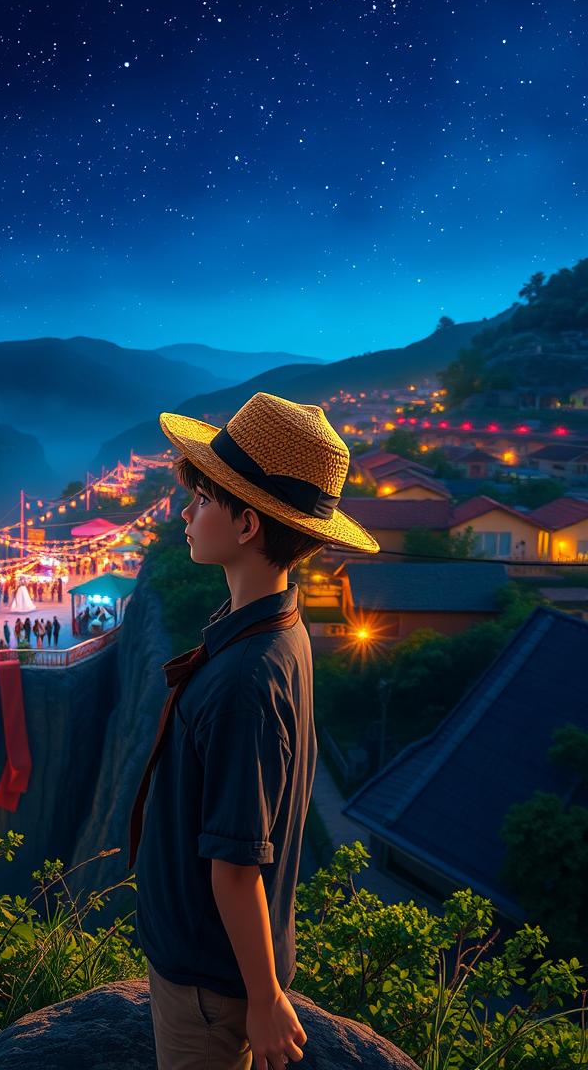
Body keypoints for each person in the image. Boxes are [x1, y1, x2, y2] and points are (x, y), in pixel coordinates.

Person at [130, 393, 379, 1070]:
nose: (186, 512)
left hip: (210, 988)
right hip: (214, 973)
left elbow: (238, 867)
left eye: (203, 499)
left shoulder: (246, 677)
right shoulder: (278, 628)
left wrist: (265, 1000)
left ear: (245, 524)